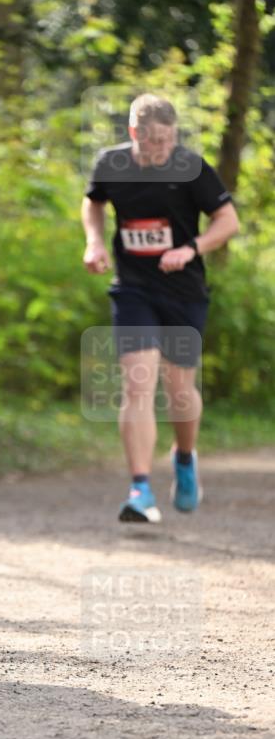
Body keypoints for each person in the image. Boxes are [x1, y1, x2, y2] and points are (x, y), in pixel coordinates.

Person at [81, 94, 239, 522]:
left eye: (167, 141)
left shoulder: (191, 168)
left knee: (179, 392)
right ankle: (141, 489)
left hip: (184, 293)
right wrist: (94, 241)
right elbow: (93, 203)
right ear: (134, 133)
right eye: (152, 141)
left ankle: (184, 457)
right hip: (133, 289)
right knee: (137, 385)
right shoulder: (111, 164)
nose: (160, 150)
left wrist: (192, 248)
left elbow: (228, 221)